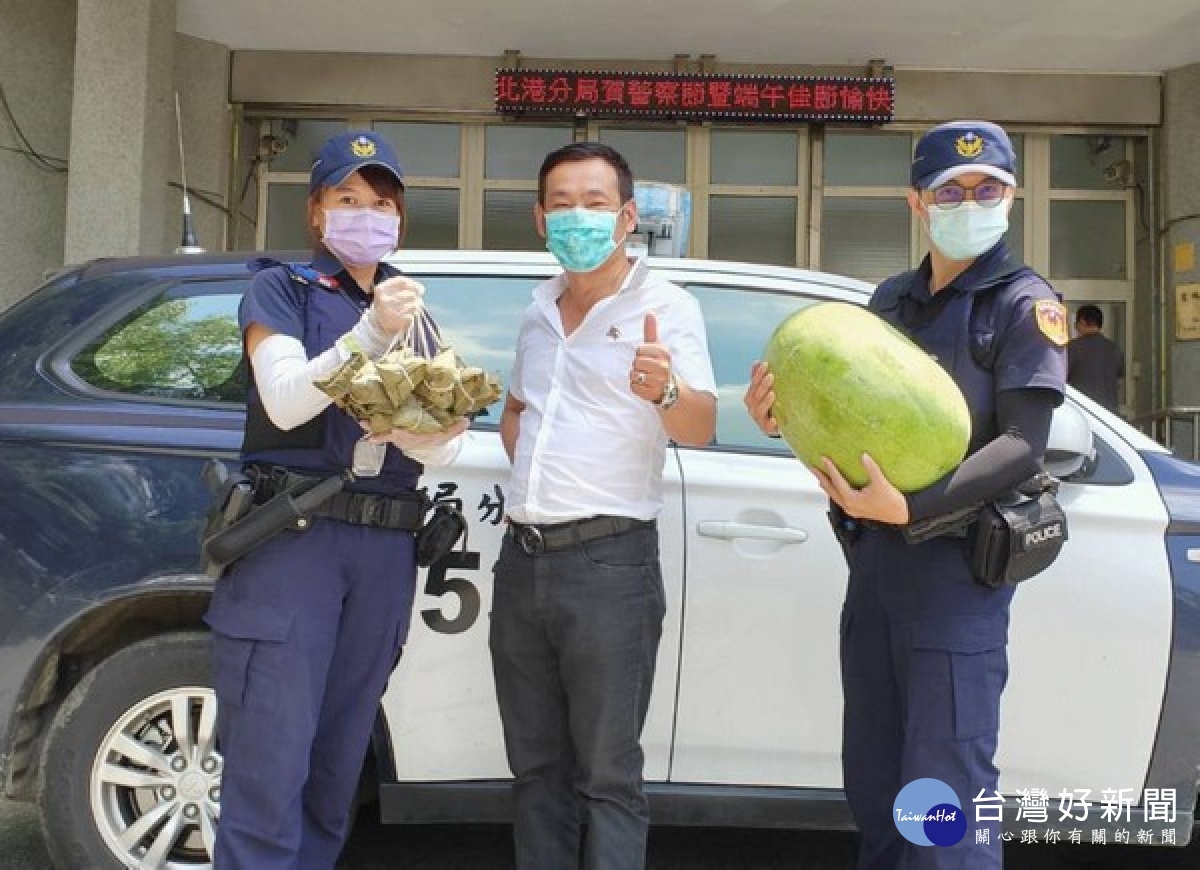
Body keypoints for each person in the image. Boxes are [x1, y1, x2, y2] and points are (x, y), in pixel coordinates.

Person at [745, 121, 1067, 869]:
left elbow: (1024, 446)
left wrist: (913, 509)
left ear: (1012, 196)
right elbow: (842, 418)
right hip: (876, 571)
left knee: (943, 795)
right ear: (917, 202)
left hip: (956, 582)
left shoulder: (1024, 305)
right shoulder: (890, 300)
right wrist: (777, 417)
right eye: (950, 191)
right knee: (877, 784)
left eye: (988, 188)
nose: (970, 202)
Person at [205, 130, 466, 869]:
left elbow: (441, 448)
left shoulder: (414, 309)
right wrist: (370, 330)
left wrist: (427, 426)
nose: (366, 214)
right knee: (269, 767)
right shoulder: (281, 289)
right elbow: (286, 401)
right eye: (347, 199)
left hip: (383, 551)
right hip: (295, 543)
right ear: (317, 212)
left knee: (334, 774)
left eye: (382, 203)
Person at [490, 142, 717, 870]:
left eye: (594, 204)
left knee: (608, 779)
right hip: (522, 563)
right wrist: (538, 477)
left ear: (626, 218)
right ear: (539, 218)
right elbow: (517, 411)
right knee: (535, 773)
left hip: (608, 563)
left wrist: (667, 392)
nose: (576, 217)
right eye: (561, 204)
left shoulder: (667, 307)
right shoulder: (535, 311)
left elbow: (703, 427)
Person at [1068, 303, 1125, 413]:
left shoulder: (1072, 348)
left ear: (1082, 322)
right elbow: (1119, 381)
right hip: (1109, 413)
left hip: (1082, 411)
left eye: (1076, 324)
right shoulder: (1115, 349)